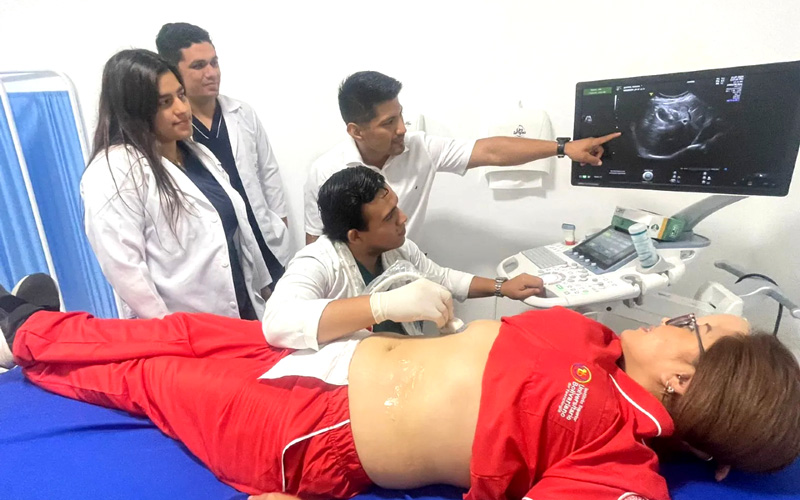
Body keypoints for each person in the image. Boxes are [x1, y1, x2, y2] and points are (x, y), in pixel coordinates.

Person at [2, 275, 799, 500]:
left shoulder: (617, 460)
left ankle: (26, 340)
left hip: (312, 434)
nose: (672, 317)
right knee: (184, 332)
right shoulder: (599, 345)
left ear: (685, 378)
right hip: (338, 359)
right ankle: (31, 328)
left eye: (691, 325)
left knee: (149, 377)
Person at [304, 70, 621, 244]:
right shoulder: (326, 172)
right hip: (352, 291)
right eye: (388, 123)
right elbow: (315, 243)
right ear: (356, 131)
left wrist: (563, 148)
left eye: (400, 115)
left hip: (407, 277)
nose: (402, 128)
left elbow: (490, 150)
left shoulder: (419, 148)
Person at [81, 49, 271, 320]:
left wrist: (264, 292)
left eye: (181, 95)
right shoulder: (115, 170)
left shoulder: (198, 154)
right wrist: (172, 333)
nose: (182, 109)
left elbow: (239, 237)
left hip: (243, 315)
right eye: (165, 102)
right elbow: (126, 270)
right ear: (135, 111)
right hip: (184, 330)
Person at [264, 166, 544, 349]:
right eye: (389, 217)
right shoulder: (317, 262)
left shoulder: (399, 249)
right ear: (355, 236)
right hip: (355, 382)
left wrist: (502, 287)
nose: (403, 218)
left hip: (405, 360)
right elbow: (277, 322)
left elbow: (443, 278)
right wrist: (383, 306)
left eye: (396, 207)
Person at [156, 22, 291, 285]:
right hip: (221, 254)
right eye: (198, 66)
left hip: (265, 241)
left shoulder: (242, 113)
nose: (211, 73)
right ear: (174, 73)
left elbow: (268, 173)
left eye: (214, 63)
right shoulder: (174, 129)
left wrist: (280, 223)